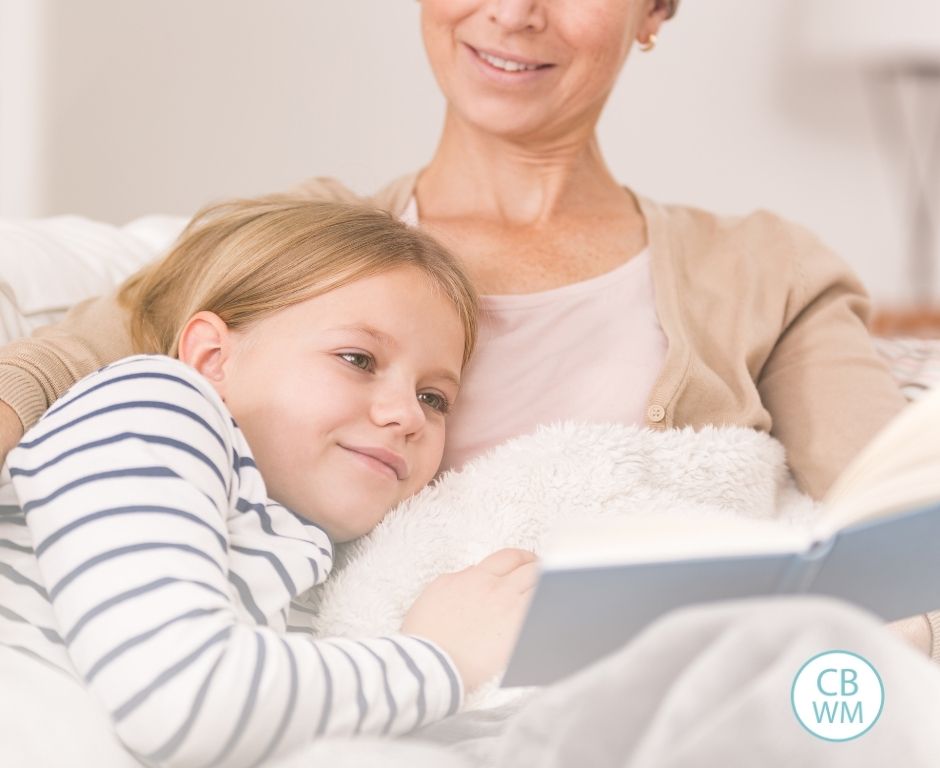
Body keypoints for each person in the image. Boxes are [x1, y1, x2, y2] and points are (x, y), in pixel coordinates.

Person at [0, 3, 932, 647]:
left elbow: (905, 519)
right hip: (378, 705)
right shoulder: (299, 241)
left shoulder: (764, 270)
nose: (514, 10)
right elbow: (51, 373)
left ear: (654, 12)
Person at [0, 198, 538, 768]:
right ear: (212, 358)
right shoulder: (154, 404)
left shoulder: (312, 571)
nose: (406, 414)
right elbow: (185, 700)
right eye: (358, 359)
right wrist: (443, 657)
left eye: (434, 398)